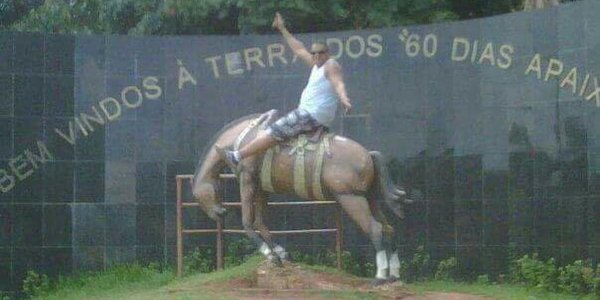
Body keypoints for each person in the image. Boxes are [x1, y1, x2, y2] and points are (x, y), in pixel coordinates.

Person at [216, 12, 352, 172]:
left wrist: (344, 99)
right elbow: (299, 49)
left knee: (274, 130)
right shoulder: (317, 65)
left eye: (320, 52)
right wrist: (282, 28)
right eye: (314, 52)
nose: (316, 55)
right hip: (312, 114)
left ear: (328, 53)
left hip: (311, 114)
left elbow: (338, 83)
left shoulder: (330, 65)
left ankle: (237, 156)